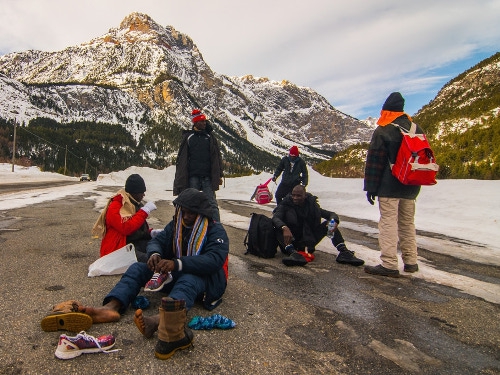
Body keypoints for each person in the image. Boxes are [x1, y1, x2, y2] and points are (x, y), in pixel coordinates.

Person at [45, 188, 229, 359]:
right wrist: (155, 255)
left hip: (205, 280)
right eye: (184, 211)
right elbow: (158, 240)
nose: (186, 216)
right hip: (175, 271)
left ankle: (160, 320)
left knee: (189, 279)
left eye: (192, 213)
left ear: (202, 214)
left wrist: (177, 263)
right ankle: (112, 307)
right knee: (137, 268)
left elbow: (213, 260)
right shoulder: (177, 223)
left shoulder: (215, 230)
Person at [363, 92, 421, 277]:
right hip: (411, 185)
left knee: (388, 223)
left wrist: (371, 187)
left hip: (389, 186)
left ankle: (389, 264)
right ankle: (411, 262)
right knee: (407, 224)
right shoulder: (415, 128)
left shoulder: (384, 130)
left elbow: (375, 162)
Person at [272, 185, 364, 267]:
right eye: (293, 195)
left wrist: (333, 221)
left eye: (299, 195)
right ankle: (293, 253)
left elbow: (331, 214)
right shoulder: (285, 205)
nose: (295, 198)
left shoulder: (312, 206)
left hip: (309, 240)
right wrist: (284, 227)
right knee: (276, 227)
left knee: (330, 223)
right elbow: (276, 218)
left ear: (305, 196)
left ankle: (344, 252)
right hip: (291, 241)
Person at [92, 173, 157, 263]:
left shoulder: (133, 204)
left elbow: (137, 232)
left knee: (157, 248)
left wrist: (151, 233)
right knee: (149, 260)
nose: (143, 195)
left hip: (132, 244)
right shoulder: (116, 206)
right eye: (142, 192)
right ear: (135, 193)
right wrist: (144, 212)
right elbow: (126, 228)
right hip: (118, 249)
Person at [173, 109, 224, 222]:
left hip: (207, 177)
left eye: (205, 121)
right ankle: (189, 223)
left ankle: (216, 226)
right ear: (195, 123)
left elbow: (217, 157)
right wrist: (180, 177)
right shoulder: (189, 137)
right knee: (190, 201)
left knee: (211, 203)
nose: (204, 123)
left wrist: (219, 174)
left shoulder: (210, 137)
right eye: (202, 121)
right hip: (193, 176)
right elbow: (181, 159)